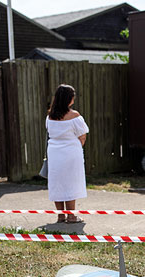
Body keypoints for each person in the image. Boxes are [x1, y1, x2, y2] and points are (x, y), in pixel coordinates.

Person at [46, 84, 89, 223]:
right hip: (71, 152)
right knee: (71, 182)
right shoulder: (74, 115)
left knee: (57, 181)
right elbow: (82, 135)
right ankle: (71, 216)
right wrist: (76, 146)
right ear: (69, 99)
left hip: (54, 152)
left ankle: (60, 215)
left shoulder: (50, 116)